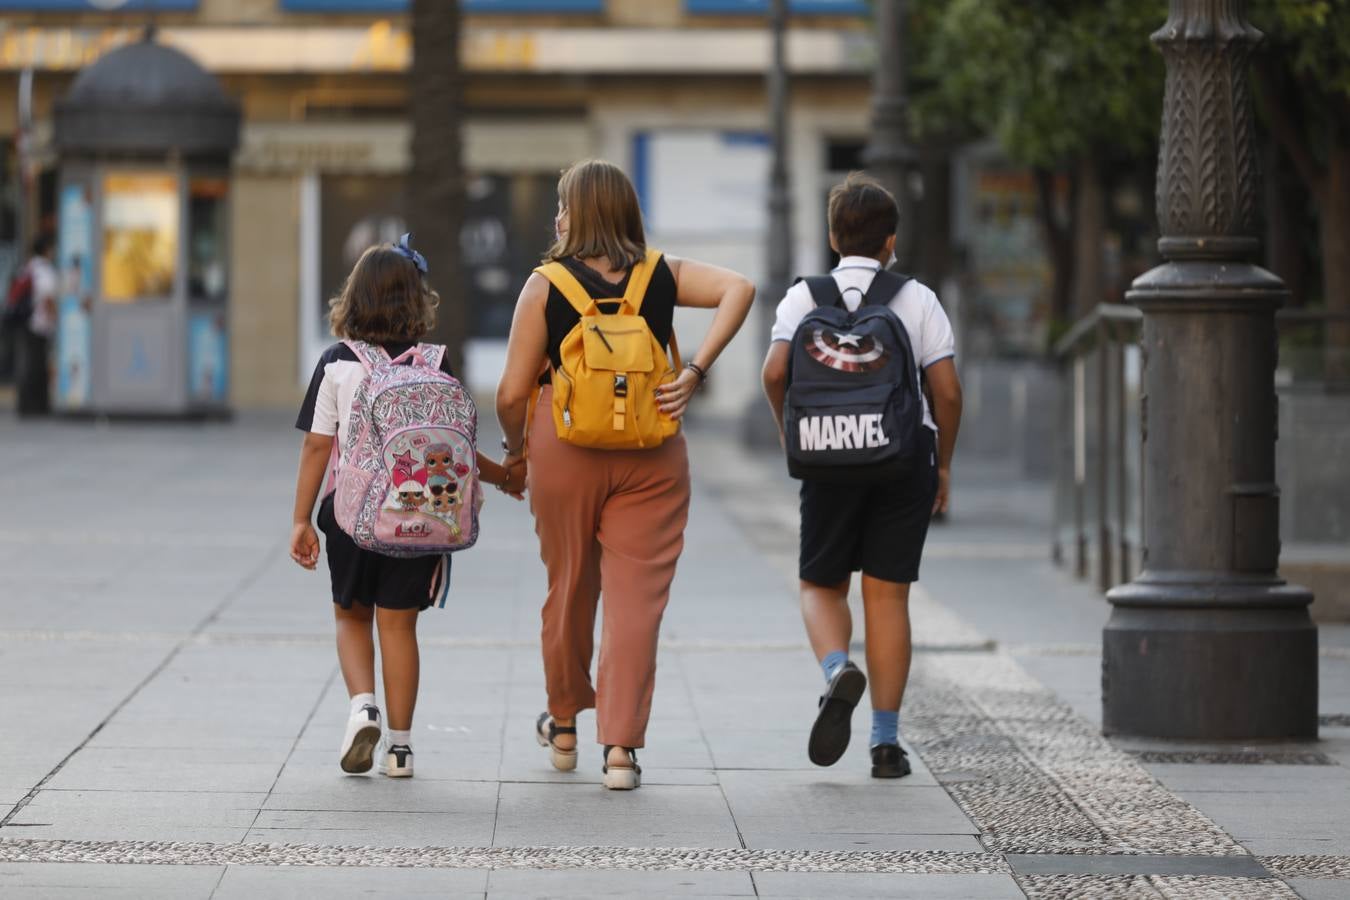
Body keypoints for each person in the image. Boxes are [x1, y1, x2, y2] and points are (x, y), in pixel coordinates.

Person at [495, 159, 754, 789]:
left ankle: (563, 725)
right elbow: (739, 288)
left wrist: (516, 450)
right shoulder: (661, 273)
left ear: (576, 213)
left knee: (569, 588)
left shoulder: (544, 285)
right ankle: (620, 752)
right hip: (653, 447)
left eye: (562, 204)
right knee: (637, 604)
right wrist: (693, 372)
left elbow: (508, 393)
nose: (557, 215)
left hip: (564, 448)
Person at [289, 239, 525, 778]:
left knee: (352, 616)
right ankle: (400, 748)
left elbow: (317, 447)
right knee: (400, 629)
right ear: (418, 302)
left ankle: (362, 706)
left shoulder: (336, 364)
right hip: (423, 519)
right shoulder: (437, 363)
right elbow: (457, 449)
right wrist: (507, 476)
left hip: (352, 519)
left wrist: (302, 518)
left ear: (353, 298)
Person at [760, 173, 963, 779]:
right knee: (888, 594)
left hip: (827, 456)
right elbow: (947, 391)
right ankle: (885, 744)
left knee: (821, 585)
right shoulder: (916, 298)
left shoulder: (804, 297)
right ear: (890, 242)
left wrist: (789, 429)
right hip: (903, 457)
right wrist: (944, 460)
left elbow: (775, 373)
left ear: (831, 236)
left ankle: (834, 670)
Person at [16, 234, 57, 417]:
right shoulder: (44, 269)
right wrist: (55, 318)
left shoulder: (28, 266)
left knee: (28, 363)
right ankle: (37, 405)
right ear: (46, 249)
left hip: (25, 322)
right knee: (38, 365)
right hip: (39, 323)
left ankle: (26, 403)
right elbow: (47, 297)